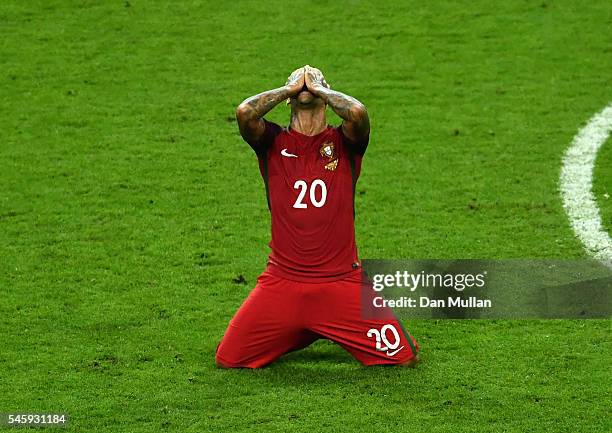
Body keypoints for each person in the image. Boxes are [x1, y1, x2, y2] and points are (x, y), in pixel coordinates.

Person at [216, 65, 419, 368]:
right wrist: (290, 89)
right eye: (298, 81)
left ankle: (319, 324)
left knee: (402, 359)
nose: (305, 82)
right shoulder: (272, 143)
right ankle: (309, 326)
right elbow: (245, 112)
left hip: (341, 283)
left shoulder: (345, 142)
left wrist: (319, 89)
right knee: (229, 360)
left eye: (314, 80)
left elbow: (358, 113)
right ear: (288, 99)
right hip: (282, 282)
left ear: (327, 97)